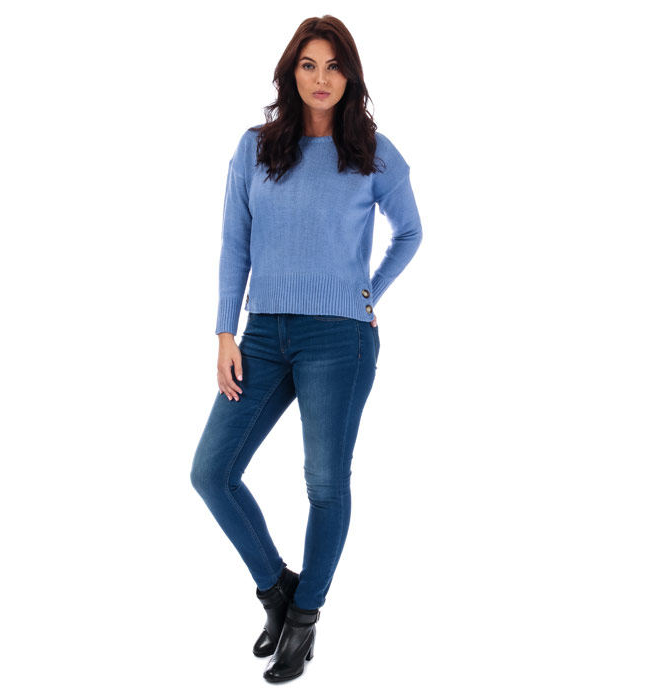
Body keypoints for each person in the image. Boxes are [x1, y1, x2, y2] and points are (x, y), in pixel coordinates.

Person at [191, 15, 423, 683]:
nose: (321, 78)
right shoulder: (256, 148)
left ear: (350, 75)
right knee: (211, 472)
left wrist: (369, 292)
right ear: (291, 72)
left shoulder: (373, 151)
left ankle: (303, 619)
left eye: (334, 65)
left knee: (324, 483)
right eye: (308, 64)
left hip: (339, 338)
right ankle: (277, 590)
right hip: (263, 335)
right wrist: (225, 332)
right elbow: (234, 243)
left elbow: (410, 232)